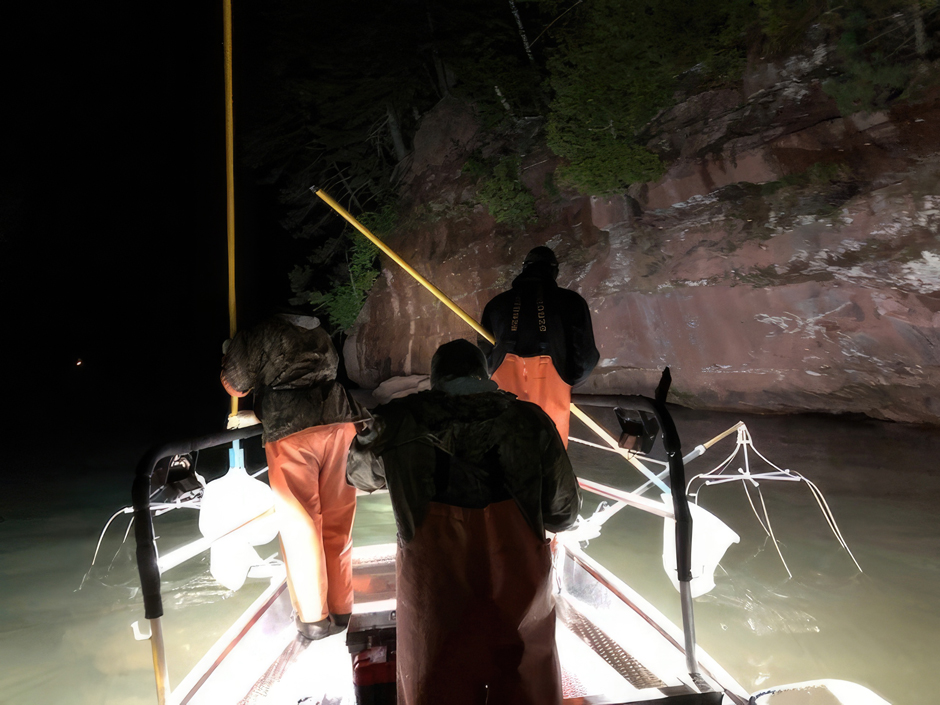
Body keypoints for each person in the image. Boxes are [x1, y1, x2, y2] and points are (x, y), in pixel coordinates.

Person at [347, 339, 580, 705]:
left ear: (436, 379)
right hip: (518, 584)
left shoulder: (395, 421)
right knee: (524, 681)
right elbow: (564, 513)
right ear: (484, 375)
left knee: (437, 681)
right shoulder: (531, 420)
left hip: (434, 586)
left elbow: (359, 476)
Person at [220, 311, 365, 640]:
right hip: (339, 423)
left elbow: (235, 383)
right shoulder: (319, 331)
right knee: (337, 522)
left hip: (293, 429)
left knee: (302, 527)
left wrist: (230, 351)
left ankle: (314, 619)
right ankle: (341, 611)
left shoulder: (258, 331)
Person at [479, 246, 600, 446]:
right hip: (552, 379)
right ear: (554, 271)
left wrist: (494, 368)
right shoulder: (571, 302)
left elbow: (483, 349)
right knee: (549, 446)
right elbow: (586, 356)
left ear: (525, 268)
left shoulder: (497, 304)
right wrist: (567, 378)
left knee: (505, 443)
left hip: (504, 377)